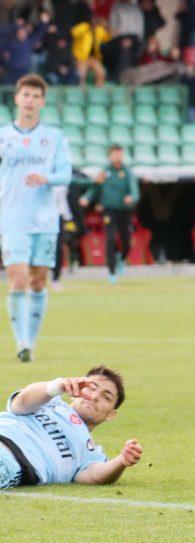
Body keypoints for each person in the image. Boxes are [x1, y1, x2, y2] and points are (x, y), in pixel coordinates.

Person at [0, 75, 71, 363]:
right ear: (17, 98)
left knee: (38, 282)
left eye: (35, 96)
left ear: (42, 102)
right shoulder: (3, 136)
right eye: (25, 95)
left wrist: (46, 177)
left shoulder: (54, 138)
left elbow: (66, 173)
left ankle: (32, 339)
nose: (30, 100)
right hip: (12, 218)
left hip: (44, 221)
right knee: (17, 279)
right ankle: (22, 342)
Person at [0, 367, 142, 489]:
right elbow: (21, 402)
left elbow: (95, 476)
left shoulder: (91, 452)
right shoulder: (48, 401)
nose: (94, 396)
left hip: (11, 461)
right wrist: (58, 386)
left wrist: (122, 460)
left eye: (106, 397)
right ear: (75, 393)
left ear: (111, 415)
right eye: (91, 388)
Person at [80, 144, 139, 285]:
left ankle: (122, 258)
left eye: (120, 153)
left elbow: (134, 190)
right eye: (115, 154)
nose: (117, 156)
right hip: (109, 210)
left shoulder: (127, 172)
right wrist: (87, 198)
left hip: (124, 210)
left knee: (126, 241)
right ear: (110, 156)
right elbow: (96, 188)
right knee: (110, 239)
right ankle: (112, 273)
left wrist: (132, 198)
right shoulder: (105, 172)